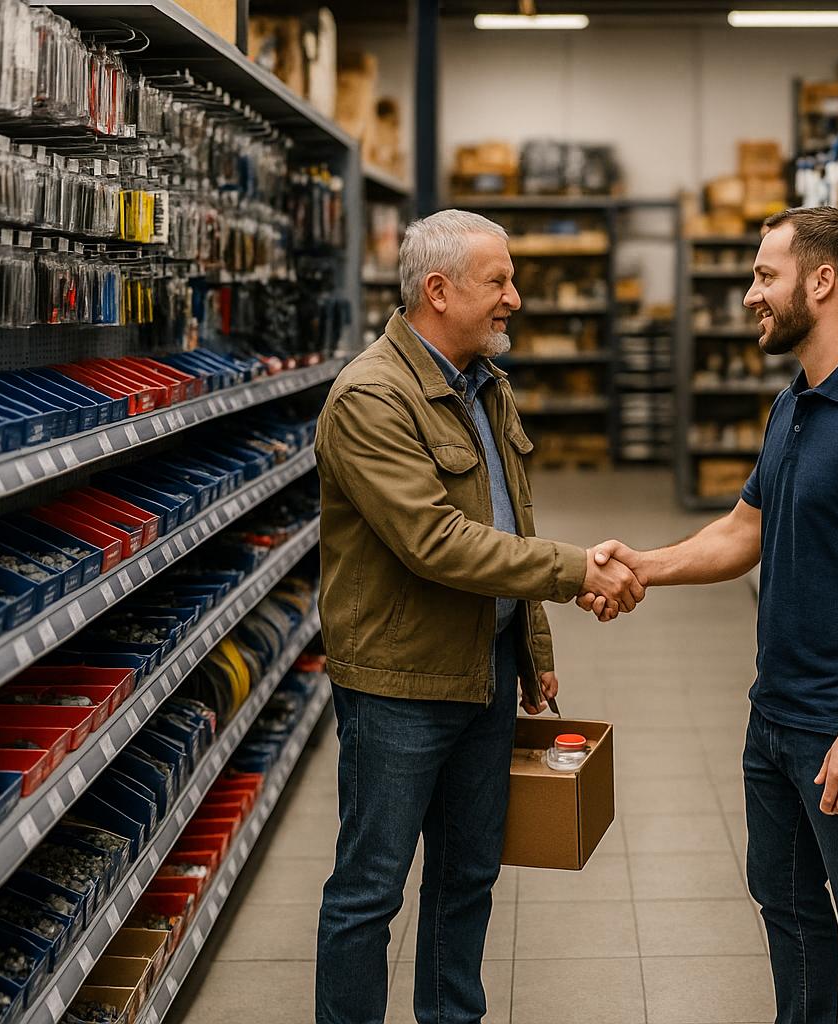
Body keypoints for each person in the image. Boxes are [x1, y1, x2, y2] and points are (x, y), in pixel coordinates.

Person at [580, 206, 838, 1024]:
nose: (751, 293)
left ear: (821, 282)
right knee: (784, 905)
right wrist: (642, 565)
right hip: (777, 716)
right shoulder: (793, 404)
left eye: (764, 275)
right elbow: (743, 530)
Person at [312, 208, 644, 1024]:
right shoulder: (370, 398)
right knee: (370, 889)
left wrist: (531, 647)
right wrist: (577, 571)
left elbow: (508, 518)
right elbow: (438, 543)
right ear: (438, 290)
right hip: (400, 683)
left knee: (468, 875)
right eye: (498, 281)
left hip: (485, 670)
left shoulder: (483, 386)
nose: (516, 298)